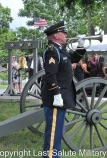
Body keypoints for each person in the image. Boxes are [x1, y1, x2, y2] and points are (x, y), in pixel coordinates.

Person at [41, 21, 86, 158]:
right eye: (63, 32)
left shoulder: (60, 49)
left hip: (61, 96)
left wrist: (81, 46)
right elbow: (50, 75)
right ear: (56, 36)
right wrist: (56, 94)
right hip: (56, 97)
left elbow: (72, 59)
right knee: (54, 132)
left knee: (57, 131)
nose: (66, 34)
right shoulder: (52, 51)